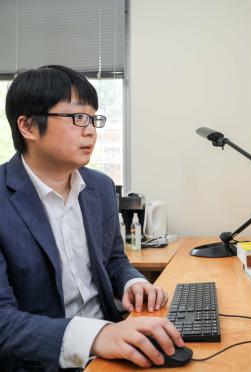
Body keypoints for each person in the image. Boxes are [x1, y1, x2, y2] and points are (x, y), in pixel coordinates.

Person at [0, 65, 184, 371]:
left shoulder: (99, 186)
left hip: (110, 344)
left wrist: (132, 284)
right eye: (77, 118)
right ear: (28, 126)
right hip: (44, 358)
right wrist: (97, 336)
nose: (90, 130)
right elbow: (3, 324)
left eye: (93, 118)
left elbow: (113, 260)